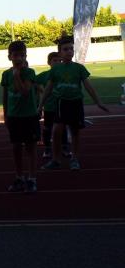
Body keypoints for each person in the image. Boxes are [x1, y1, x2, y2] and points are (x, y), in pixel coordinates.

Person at [39, 37, 109, 170]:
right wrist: (40, 105)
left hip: (76, 103)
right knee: (56, 131)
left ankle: (75, 159)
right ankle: (56, 160)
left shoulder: (79, 68)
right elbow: (48, 88)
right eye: (65, 49)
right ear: (60, 53)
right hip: (61, 103)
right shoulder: (55, 70)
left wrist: (98, 102)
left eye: (71, 49)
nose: (69, 51)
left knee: (75, 132)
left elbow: (88, 86)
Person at [1, 41, 38, 193]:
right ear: (9, 57)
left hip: (29, 115)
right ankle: (19, 177)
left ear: (26, 56)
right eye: (15, 55)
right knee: (16, 147)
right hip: (14, 116)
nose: (19, 59)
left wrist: (17, 76)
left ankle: (32, 179)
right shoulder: (5, 74)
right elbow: (4, 96)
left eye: (22, 55)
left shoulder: (29, 72)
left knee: (31, 148)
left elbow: (25, 92)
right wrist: (5, 115)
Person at [35, 52, 70, 159]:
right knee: (47, 128)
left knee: (63, 128)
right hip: (49, 107)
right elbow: (33, 80)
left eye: (60, 60)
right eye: (55, 61)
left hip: (62, 106)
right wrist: (40, 89)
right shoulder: (45, 75)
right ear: (49, 63)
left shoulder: (65, 74)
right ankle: (47, 149)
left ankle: (64, 148)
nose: (58, 63)